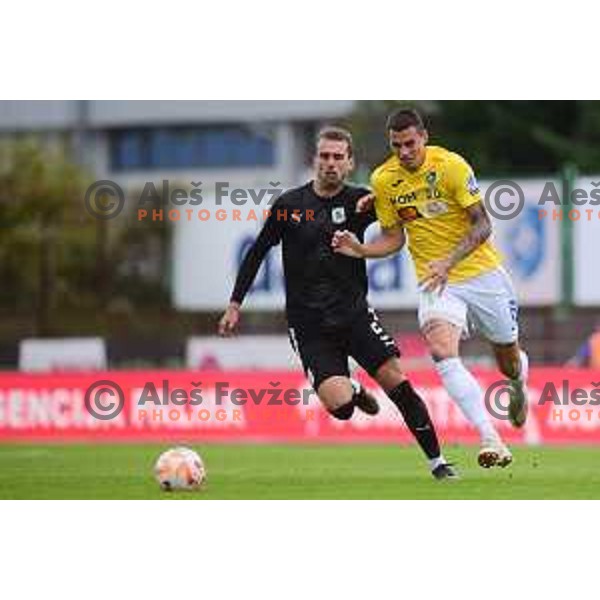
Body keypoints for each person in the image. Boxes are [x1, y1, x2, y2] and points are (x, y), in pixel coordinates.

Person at [219, 126, 457, 480]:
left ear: (349, 163)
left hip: (354, 315)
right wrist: (235, 303)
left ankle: (438, 464)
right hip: (309, 325)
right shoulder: (288, 206)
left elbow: (404, 217)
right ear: (314, 160)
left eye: (338, 157)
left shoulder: (361, 201)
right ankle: (354, 390)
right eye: (324, 156)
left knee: (397, 381)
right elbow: (257, 252)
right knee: (341, 407)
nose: (330, 163)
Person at [332, 109, 529, 469]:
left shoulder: (451, 166)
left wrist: (449, 261)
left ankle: (517, 385)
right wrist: (361, 250)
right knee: (441, 351)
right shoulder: (384, 179)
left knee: (509, 361)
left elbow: (483, 225)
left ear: (424, 136)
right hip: (436, 282)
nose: (404, 152)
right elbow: (393, 238)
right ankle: (490, 437)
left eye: (410, 143)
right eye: (396, 145)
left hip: (482, 274)